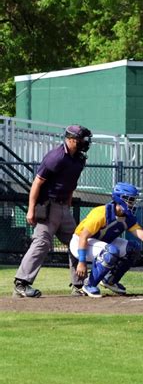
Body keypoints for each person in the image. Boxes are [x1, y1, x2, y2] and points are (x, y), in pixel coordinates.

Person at [13, 125, 92, 298]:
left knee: (77, 242)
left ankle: (78, 285)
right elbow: (37, 183)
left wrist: (68, 205)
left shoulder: (79, 159)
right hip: (48, 206)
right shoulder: (55, 157)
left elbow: (72, 184)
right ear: (71, 139)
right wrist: (31, 209)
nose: (85, 143)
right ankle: (21, 283)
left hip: (64, 207)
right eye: (81, 139)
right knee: (42, 243)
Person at [69, 182, 143, 298]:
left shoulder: (127, 217)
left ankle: (110, 280)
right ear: (120, 198)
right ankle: (89, 284)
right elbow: (83, 236)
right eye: (130, 200)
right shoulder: (102, 213)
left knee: (133, 248)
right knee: (111, 251)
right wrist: (82, 262)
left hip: (101, 242)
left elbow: (142, 235)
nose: (132, 203)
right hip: (80, 243)